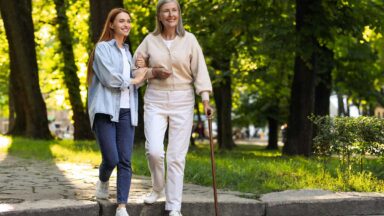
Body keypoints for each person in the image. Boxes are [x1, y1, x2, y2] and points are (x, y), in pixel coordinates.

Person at [133, 0, 214, 215]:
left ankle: (174, 207)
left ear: (179, 14)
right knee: (154, 152)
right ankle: (157, 187)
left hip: (183, 100)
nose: (171, 14)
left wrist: (205, 99)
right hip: (155, 99)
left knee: (176, 157)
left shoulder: (189, 40)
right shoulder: (150, 41)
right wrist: (151, 72)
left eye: (174, 10)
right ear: (159, 16)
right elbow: (135, 68)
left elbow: (200, 70)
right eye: (166, 11)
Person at [87, 8, 147, 216]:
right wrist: (135, 79)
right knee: (111, 159)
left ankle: (122, 205)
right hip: (105, 110)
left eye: (129, 21)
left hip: (126, 111)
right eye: (121, 21)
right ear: (111, 25)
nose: (126, 24)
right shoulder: (102, 48)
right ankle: (103, 180)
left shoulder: (128, 52)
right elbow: (109, 79)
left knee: (125, 160)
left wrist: (140, 70)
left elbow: (136, 85)